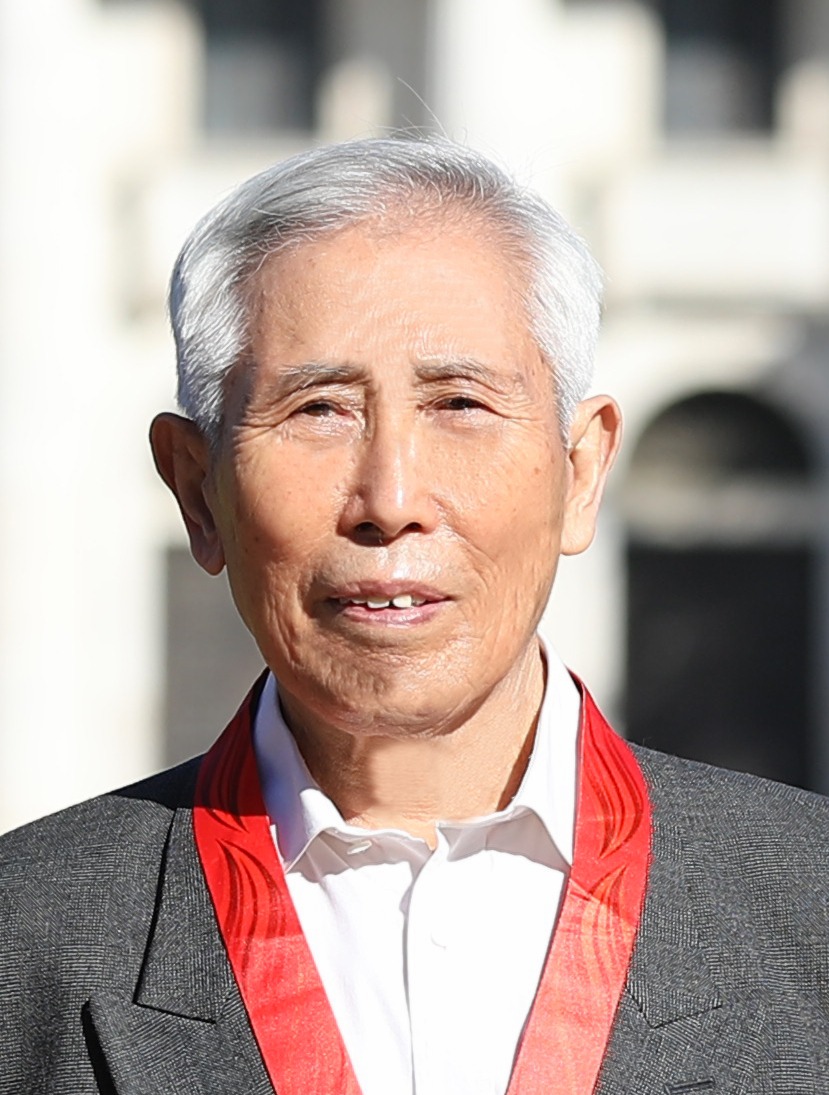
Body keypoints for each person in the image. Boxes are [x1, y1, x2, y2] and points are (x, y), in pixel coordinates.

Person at [2, 136, 829, 1095]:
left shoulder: (805, 906)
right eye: (317, 409)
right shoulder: (29, 936)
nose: (389, 500)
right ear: (197, 490)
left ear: (580, 473)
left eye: (460, 404)